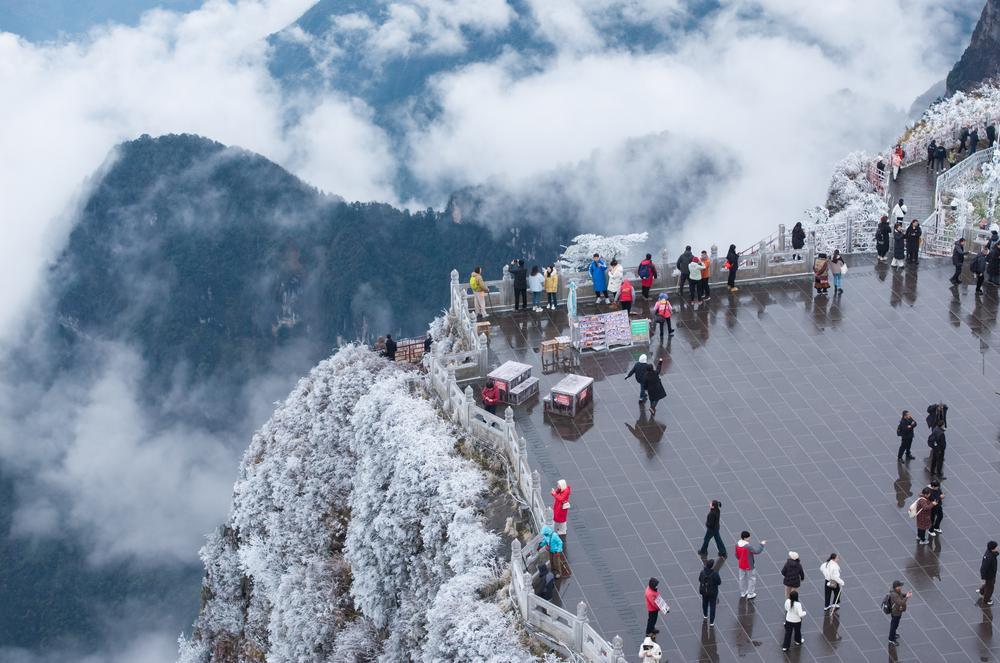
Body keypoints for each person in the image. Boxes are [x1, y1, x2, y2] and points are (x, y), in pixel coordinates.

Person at [735, 531, 766, 599]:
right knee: (751, 578)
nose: (750, 538)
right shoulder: (748, 546)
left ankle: (743, 592)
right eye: (749, 537)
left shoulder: (737, 544)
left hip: (741, 564)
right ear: (746, 538)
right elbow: (757, 551)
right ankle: (750, 593)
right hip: (749, 565)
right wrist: (761, 544)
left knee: (742, 578)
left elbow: (737, 555)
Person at [887, 580, 912, 646]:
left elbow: (901, 595)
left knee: (896, 625)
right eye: (900, 586)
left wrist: (906, 594)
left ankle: (894, 634)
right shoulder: (894, 594)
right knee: (893, 625)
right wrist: (907, 597)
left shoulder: (897, 591)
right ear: (896, 587)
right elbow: (900, 603)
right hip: (896, 612)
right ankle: (891, 639)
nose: (901, 587)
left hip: (898, 611)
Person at [698, 558, 722, 626]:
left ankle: (705, 615)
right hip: (713, 592)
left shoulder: (702, 572)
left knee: (704, 602)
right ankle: (711, 622)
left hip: (704, 591)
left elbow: (699, 579)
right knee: (712, 606)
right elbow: (719, 582)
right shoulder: (715, 574)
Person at [980, 541, 998, 606]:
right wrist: (983, 578)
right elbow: (983, 568)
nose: (997, 548)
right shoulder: (989, 558)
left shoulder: (989, 552)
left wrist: (997, 552)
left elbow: (995, 554)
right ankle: (986, 600)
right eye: (996, 547)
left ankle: (981, 591)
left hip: (990, 574)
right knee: (990, 588)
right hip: (990, 575)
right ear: (993, 549)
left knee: (988, 584)